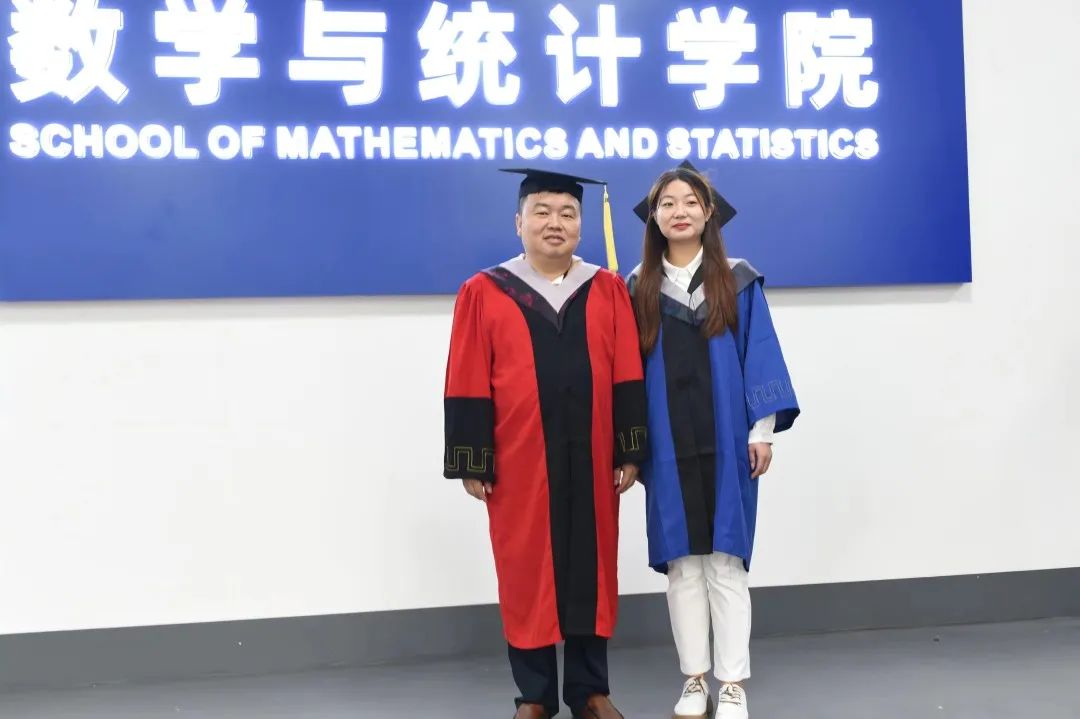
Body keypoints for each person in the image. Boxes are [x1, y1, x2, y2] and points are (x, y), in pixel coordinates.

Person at [443, 168, 648, 719]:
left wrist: (629, 449)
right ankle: (533, 695)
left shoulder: (606, 288)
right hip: (519, 459)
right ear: (519, 222)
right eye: (542, 212)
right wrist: (472, 458)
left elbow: (628, 370)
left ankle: (590, 690)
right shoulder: (484, 291)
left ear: (580, 224)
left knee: (592, 568)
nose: (555, 223)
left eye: (567, 213)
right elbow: (466, 375)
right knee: (525, 568)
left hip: (593, 455)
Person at [627, 161, 800, 719]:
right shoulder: (636, 286)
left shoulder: (738, 280)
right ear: (654, 218)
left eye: (689, 202)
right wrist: (630, 446)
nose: (679, 211)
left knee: (726, 562)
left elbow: (759, 353)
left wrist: (762, 431)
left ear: (708, 213)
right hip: (666, 446)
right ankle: (694, 678)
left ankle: (731, 683)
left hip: (728, 443)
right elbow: (625, 373)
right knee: (683, 566)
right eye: (667, 204)